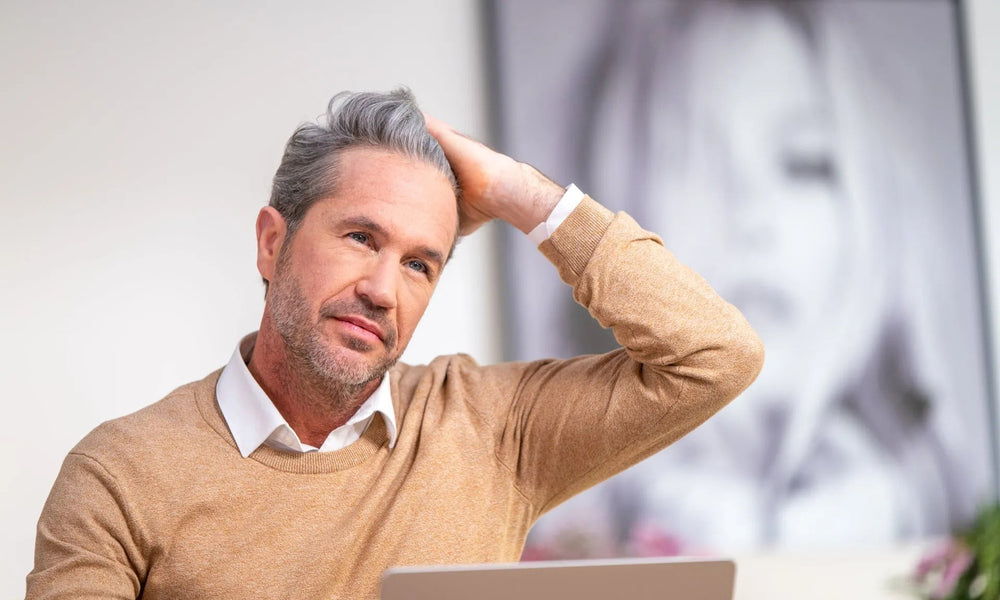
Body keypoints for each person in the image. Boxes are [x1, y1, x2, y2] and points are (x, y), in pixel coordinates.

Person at [26, 88, 763, 599]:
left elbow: (716, 355)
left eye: (419, 264)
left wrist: (517, 192)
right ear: (271, 243)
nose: (384, 289)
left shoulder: (493, 429)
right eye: (359, 238)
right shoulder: (120, 475)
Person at [515, 0, 991, 556]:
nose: (753, 216)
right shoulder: (547, 514)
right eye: (700, 163)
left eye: (803, 161)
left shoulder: (947, 524)